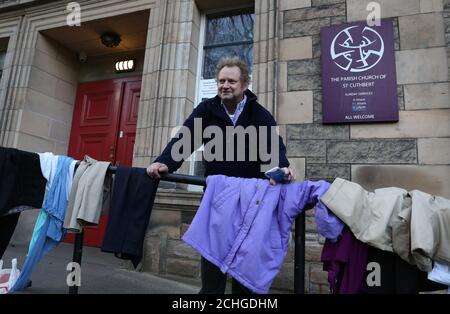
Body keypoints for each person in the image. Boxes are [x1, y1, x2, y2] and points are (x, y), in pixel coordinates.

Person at [147, 56, 294, 293]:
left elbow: (273, 150)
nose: (224, 85)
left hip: (250, 201)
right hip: (217, 199)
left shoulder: (259, 115)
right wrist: (164, 162)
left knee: (244, 263)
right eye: (221, 80)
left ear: (245, 85)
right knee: (213, 262)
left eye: (231, 81)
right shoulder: (207, 110)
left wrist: (281, 168)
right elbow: (184, 139)